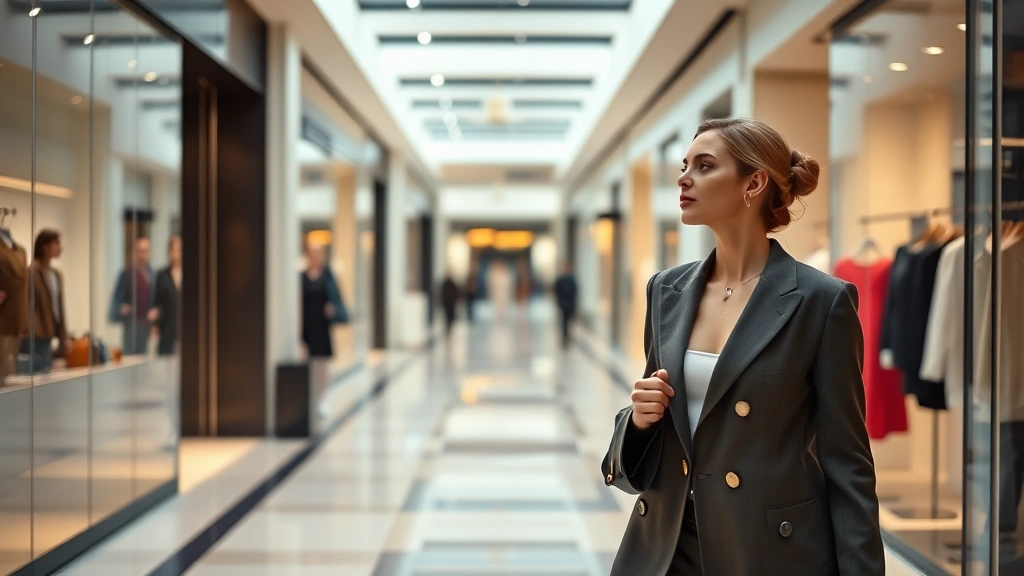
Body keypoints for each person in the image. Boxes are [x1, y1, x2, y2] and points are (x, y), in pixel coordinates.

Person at [601, 118, 883, 575]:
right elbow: (661, 416)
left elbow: (848, 464)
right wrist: (637, 419)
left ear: (753, 183)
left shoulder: (821, 301)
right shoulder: (666, 291)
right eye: (684, 165)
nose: (683, 177)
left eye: (705, 165)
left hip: (766, 550)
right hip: (669, 545)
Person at [27, 230, 69, 371]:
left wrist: (64, 335)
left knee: (46, 372)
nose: (60, 247)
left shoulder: (56, 275)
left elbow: (59, 308)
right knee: (38, 373)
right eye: (56, 243)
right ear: (45, 247)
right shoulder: (32, 272)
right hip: (35, 333)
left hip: (50, 332)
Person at [301, 242, 348, 358]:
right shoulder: (302, 277)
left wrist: (333, 309)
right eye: (312, 252)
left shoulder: (327, 276)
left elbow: (337, 299)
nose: (314, 256)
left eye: (317, 252)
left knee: (322, 360)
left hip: (322, 327)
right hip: (306, 327)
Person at [110, 237, 154, 356]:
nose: (142, 254)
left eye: (145, 251)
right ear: (135, 252)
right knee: (130, 355)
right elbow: (117, 300)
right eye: (140, 250)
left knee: (143, 356)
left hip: (145, 325)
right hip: (131, 324)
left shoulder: (151, 275)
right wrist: (122, 308)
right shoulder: (127, 274)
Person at [150, 234, 182, 356]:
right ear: (169, 251)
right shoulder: (162, 275)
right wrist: (155, 325)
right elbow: (156, 302)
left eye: (179, 250)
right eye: (174, 249)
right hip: (167, 327)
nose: (176, 253)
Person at [553, 261, 578, 349]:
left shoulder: (571, 279)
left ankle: (568, 336)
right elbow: (556, 291)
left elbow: (575, 292)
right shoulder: (560, 279)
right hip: (563, 304)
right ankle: (565, 338)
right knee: (564, 322)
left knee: (569, 321)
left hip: (570, 304)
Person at [440, 272, 459, 338]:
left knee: (450, 315)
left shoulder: (450, 283)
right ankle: (448, 326)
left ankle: (449, 326)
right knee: (447, 315)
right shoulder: (445, 283)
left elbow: (456, 292)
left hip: (450, 302)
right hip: (447, 302)